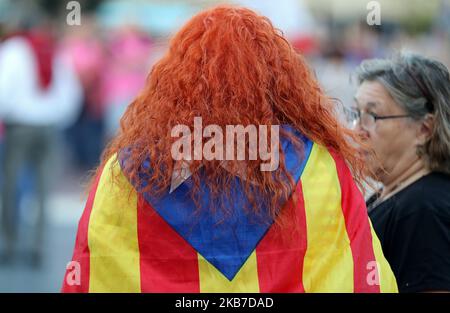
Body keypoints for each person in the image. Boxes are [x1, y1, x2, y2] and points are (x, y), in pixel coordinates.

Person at [62, 6, 397, 293]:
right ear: (279, 82)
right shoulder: (321, 165)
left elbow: (93, 267)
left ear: (172, 82)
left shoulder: (126, 170)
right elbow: (359, 268)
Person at [352, 53, 450, 292]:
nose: (356, 130)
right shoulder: (396, 193)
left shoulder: (424, 209)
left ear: (424, 129)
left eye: (372, 116)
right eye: (356, 114)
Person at [0, 19, 82, 266]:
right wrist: (58, 118)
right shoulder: (55, 51)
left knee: (11, 186)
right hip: (49, 127)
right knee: (43, 190)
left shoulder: (13, 49)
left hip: (19, 126)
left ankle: (9, 243)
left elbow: (3, 87)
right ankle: (38, 246)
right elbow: (71, 92)